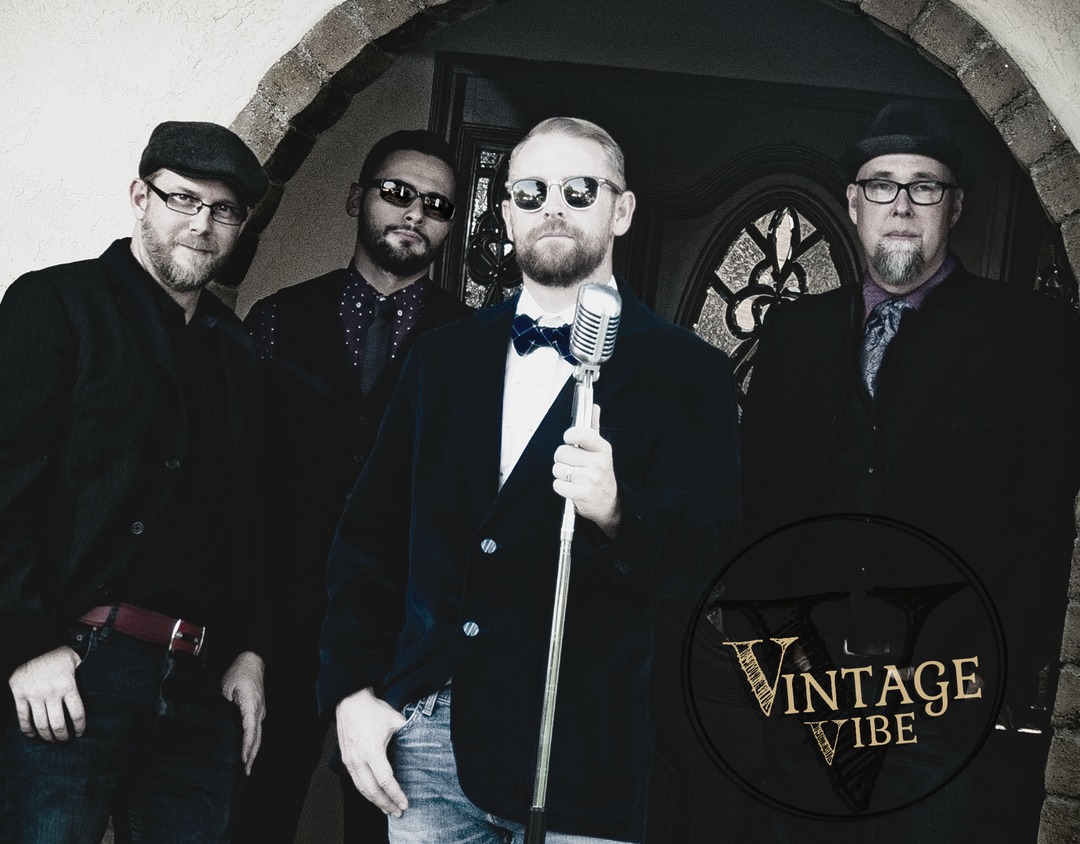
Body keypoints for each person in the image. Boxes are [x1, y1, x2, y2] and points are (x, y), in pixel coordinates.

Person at [317, 116, 740, 843]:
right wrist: (352, 693)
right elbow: (369, 538)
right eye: (531, 192)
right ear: (507, 214)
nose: (553, 207)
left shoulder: (687, 371)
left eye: (579, 191)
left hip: (582, 752)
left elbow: (705, 557)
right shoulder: (442, 358)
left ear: (622, 211)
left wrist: (618, 509)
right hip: (431, 738)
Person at [738, 99, 1080, 842]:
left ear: (954, 206)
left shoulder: (1027, 334)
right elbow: (756, 496)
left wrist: (1003, 668)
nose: (901, 206)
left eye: (924, 186)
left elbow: (1046, 520)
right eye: (882, 185)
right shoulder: (795, 332)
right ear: (853, 203)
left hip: (944, 692)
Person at [0, 121, 271, 843]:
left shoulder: (235, 348)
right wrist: (26, 645)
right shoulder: (55, 303)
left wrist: (249, 652)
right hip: (72, 668)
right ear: (140, 196)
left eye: (223, 210)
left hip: (198, 683)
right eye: (183, 199)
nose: (202, 224)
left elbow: (244, 520)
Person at [235, 129, 471, 844]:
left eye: (436, 204)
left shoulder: (472, 344)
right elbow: (236, 486)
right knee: (255, 816)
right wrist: (245, 638)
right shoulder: (276, 320)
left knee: (386, 826)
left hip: (403, 644)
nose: (415, 212)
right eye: (397, 192)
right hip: (279, 628)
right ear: (355, 197)